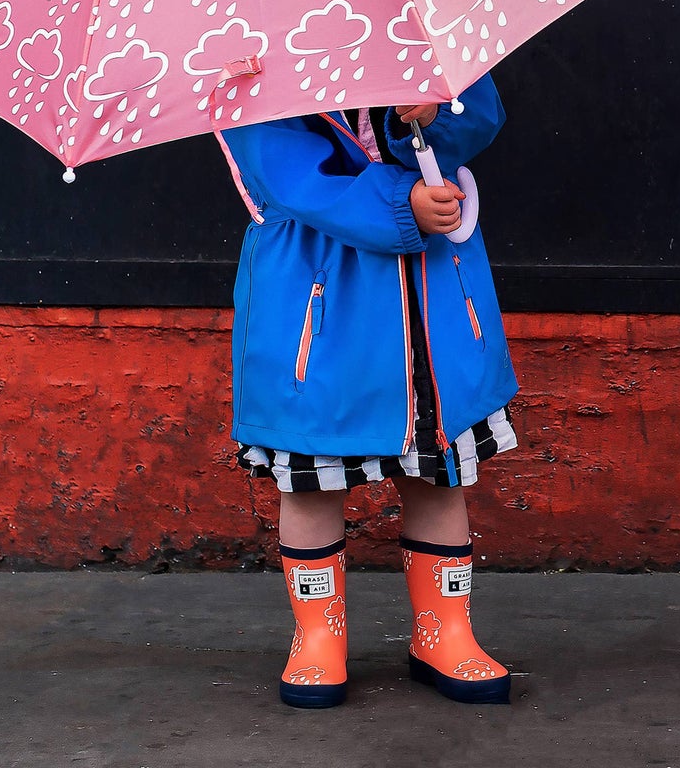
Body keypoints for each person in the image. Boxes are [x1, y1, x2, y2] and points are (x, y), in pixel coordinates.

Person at [215, 77, 516, 708]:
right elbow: (290, 176)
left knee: (438, 480)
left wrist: (439, 111)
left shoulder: (420, 27)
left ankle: (445, 629)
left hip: (427, 308)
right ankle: (317, 637)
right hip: (318, 313)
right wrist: (401, 204)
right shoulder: (249, 62)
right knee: (311, 484)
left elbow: (480, 117)